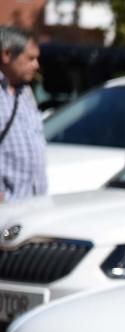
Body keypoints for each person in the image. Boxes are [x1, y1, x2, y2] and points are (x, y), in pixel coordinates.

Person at [0, 26, 45, 203]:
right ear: (7, 55)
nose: (36, 65)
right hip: (6, 209)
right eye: (30, 59)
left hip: (32, 205)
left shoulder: (25, 93)